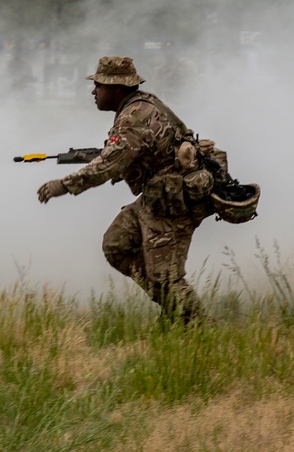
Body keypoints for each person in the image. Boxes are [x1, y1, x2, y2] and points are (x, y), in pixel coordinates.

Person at [36, 56, 215, 324]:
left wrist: (62, 185)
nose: (94, 91)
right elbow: (132, 154)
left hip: (172, 203)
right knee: (117, 244)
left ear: (117, 88)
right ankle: (173, 308)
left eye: (99, 85)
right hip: (157, 197)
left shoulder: (132, 117)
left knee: (165, 276)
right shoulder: (141, 105)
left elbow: (108, 165)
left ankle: (201, 330)